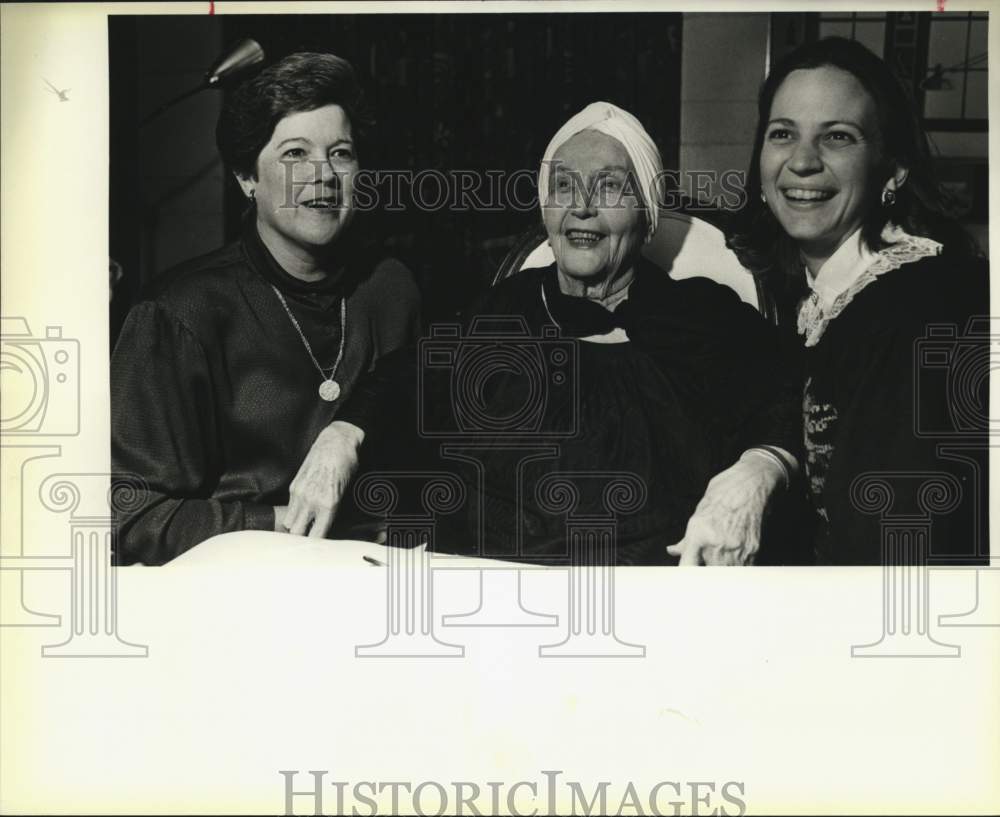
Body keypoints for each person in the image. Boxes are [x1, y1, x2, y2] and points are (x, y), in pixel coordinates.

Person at [341, 102, 804, 566]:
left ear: (647, 217)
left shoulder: (703, 315)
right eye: (564, 185)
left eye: (608, 187)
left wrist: (762, 466)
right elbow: (401, 381)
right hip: (493, 586)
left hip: (657, 596)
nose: (581, 207)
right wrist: (341, 436)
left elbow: (787, 392)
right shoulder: (500, 312)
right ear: (546, 212)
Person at [112, 52, 420, 565]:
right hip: (234, 594)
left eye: (340, 153)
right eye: (295, 153)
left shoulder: (391, 289)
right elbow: (129, 519)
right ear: (246, 178)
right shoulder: (177, 313)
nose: (322, 175)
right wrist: (285, 525)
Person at [727, 37, 989, 565]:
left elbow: (897, 548)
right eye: (783, 134)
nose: (802, 161)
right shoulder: (822, 294)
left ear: (892, 170)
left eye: (838, 137)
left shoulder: (922, 307)